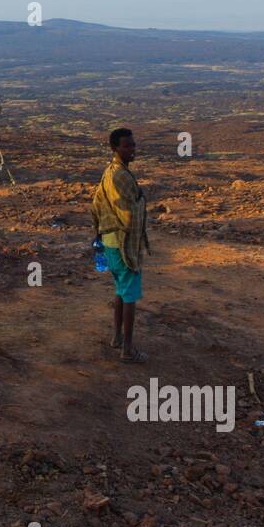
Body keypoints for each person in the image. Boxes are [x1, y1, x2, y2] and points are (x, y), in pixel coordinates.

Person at [90, 128, 151, 363]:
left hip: (109, 242)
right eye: (127, 146)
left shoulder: (109, 172)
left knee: (121, 291)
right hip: (123, 244)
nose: (132, 149)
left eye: (133, 145)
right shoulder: (121, 176)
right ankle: (128, 349)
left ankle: (116, 338)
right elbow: (129, 215)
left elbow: (95, 204)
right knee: (129, 296)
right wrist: (142, 200)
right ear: (114, 148)